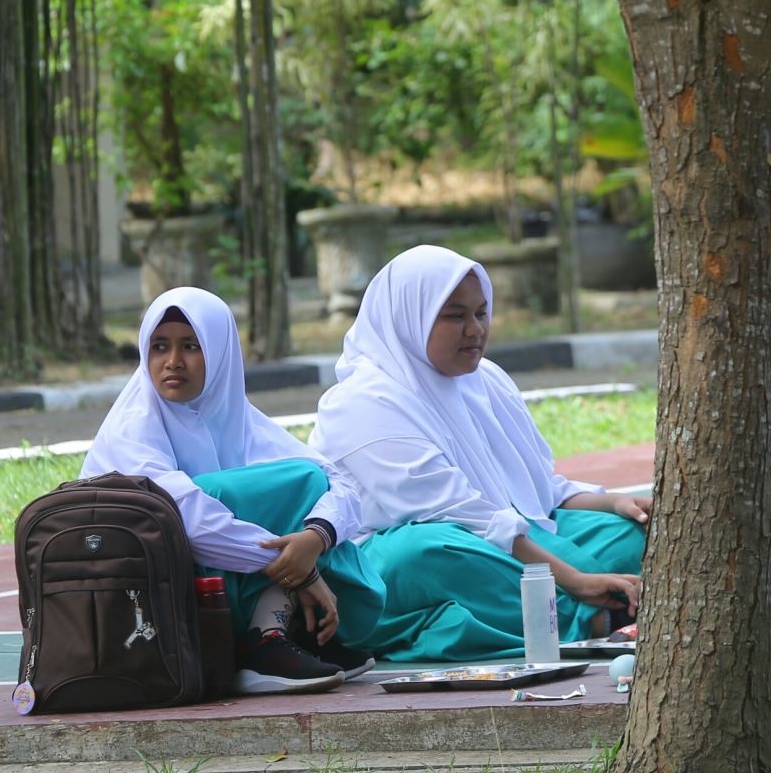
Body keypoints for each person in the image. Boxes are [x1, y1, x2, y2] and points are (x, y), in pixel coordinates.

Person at [309, 245, 648, 663]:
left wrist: (614, 502)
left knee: (629, 532)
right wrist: (574, 579)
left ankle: (600, 606)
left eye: (481, 313)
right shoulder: (360, 402)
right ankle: (586, 619)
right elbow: (460, 513)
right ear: (409, 318)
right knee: (427, 553)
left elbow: (536, 490)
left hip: (508, 538)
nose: (475, 329)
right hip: (408, 557)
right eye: (455, 316)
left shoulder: (485, 379)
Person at [82, 287, 386, 695]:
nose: (172, 361)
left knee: (307, 487)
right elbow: (187, 519)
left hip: (213, 578)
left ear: (221, 352)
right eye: (159, 346)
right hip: (146, 600)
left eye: (191, 346)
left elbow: (340, 482)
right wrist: (298, 568)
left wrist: (315, 538)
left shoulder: (239, 417)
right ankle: (263, 641)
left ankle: (274, 634)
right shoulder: (132, 427)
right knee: (219, 492)